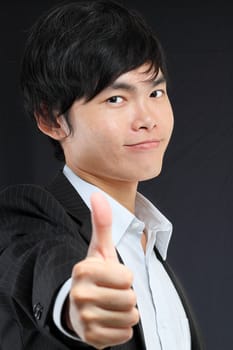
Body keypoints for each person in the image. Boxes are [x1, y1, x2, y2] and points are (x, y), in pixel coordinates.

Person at [0, 1, 204, 349]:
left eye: (155, 92)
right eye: (115, 99)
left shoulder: (151, 244)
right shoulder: (28, 216)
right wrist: (74, 302)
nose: (147, 119)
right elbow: (45, 265)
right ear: (51, 120)